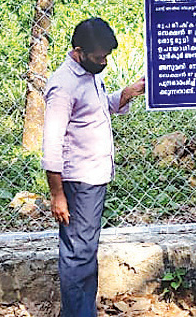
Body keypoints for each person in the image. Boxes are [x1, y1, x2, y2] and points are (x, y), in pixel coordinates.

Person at [41, 17, 145, 317]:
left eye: (107, 56)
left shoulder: (90, 73)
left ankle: (82, 312)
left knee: (85, 253)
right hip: (78, 181)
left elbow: (99, 109)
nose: (105, 62)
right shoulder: (63, 86)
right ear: (79, 51)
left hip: (94, 178)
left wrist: (127, 93)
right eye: (101, 57)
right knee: (78, 255)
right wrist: (57, 195)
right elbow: (51, 145)